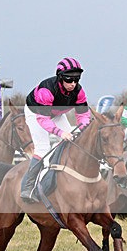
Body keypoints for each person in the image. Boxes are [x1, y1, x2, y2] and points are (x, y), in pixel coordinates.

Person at [22, 57, 91, 202]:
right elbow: (43, 120)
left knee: (73, 143)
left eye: (76, 80)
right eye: (69, 80)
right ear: (60, 78)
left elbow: (84, 115)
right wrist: (60, 133)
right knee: (43, 149)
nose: (73, 84)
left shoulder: (79, 91)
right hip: (36, 114)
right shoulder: (46, 90)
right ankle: (27, 188)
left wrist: (81, 129)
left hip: (57, 114)